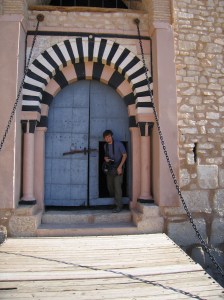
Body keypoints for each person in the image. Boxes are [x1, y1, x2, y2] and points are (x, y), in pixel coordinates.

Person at [103, 130, 127, 213]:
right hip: (110, 169)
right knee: (110, 186)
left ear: (111, 136)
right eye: (106, 137)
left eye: (109, 136)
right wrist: (105, 159)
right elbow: (106, 157)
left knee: (117, 187)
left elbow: (125, 155)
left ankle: (119, 206)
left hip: (118, 168)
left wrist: (120, 167)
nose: (108, 138)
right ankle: (114, 203)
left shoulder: (119, 144)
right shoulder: (105, 146)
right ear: (104, 138)